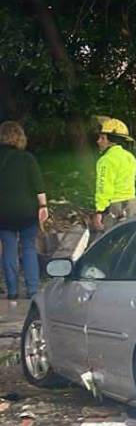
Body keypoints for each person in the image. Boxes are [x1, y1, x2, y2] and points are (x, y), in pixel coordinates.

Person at [0, 122, 47, 300]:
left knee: (9, 250)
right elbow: (38, 186)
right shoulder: (27, 158)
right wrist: (43, 207)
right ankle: (32, 290)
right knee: (28, 248)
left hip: (3, 213)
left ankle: (12, 291)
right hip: (27, 211)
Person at [93, 116, 136, 231]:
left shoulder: (106, 160)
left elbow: (103, 187)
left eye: (102, 138)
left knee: (108, 243)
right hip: (132, 205)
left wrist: (100, 211)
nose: (98, 141)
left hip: (114, 208)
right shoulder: (130, 157)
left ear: (110, 141)